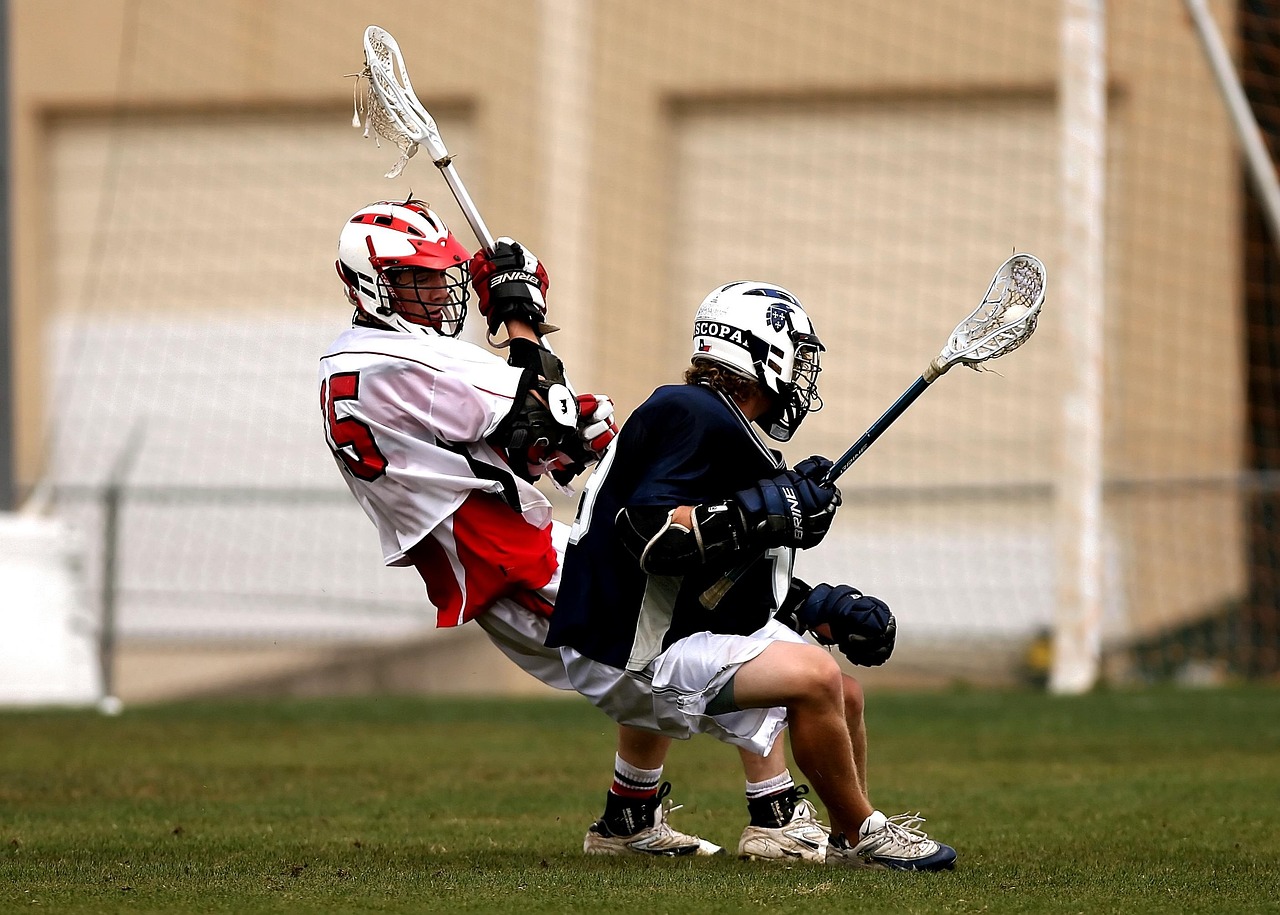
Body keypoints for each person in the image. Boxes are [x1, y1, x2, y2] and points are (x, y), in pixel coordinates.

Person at [319, 197, 721, 857]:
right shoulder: (404, 362)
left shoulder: (357, 357)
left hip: (503, 541)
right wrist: (519, 318)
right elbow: (546, 409)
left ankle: (630, 820)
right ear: (369, 283)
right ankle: (777, 812)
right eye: (413, 278)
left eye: (434, 274)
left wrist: (559, 430)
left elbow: (517, 441)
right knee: (695, 656)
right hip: (503, 559)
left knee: (669, 626)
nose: (432, 290)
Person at [547, 280, 959, 870]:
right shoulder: (688, 411)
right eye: (800, 356)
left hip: (659, 631)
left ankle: (776, 828)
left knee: (842, 692)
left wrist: (818, 606)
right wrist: (766, 509)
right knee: (814, 678)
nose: (803, 376)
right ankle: (860, 834)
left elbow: (724, 577)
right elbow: (650, 537)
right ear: (762, 353)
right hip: (626, 648)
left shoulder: (723, 431)